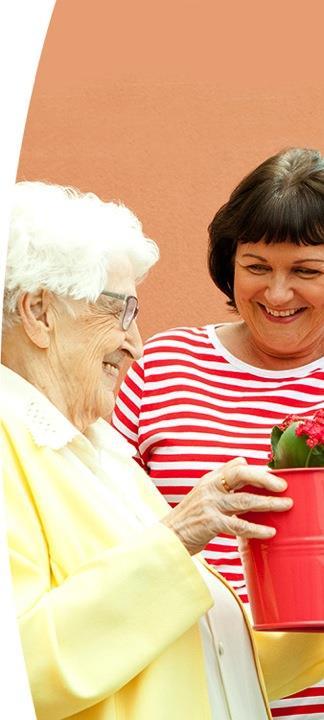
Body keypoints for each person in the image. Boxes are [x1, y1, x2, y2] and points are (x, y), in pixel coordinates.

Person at [1, 181, 323, 720]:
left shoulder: (101, 455)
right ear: (39, 312)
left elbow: (210, 658)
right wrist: (178, 537)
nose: (138, 343)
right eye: (121, 312)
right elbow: (18, 672)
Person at [112, 147, 324, 720]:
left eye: (306, 271)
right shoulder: (163, 364)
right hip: (186, 695)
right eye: (257, 267)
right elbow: (96, 519)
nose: (277, 294)